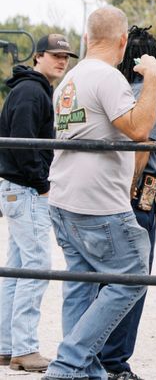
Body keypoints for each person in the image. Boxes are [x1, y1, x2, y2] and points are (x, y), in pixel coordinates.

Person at [43, 7, 156, 380]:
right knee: (133, 276)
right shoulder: (108, 78)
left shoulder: (69, 81)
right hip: (98, 204)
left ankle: (85, 371)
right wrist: (153, 77)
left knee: (80, 286)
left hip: (64, 200)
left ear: (86, 36)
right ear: (123, 41)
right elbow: (140, 129)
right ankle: (66, 366)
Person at [98, 26, 156, 380]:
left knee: (101, 281)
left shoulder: (110, 92)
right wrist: (128, 195)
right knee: (133, 284)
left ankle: (94, 356)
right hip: (136, 197)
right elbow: (142, 150)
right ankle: (116, 364)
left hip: (100, 197)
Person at [0, 34, 77, 373]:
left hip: (16, 188)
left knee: (17, 270)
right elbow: (23, 143)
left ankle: (6, 346)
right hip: (26, 189)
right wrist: (42, 184)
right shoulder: (32, 91)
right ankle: (26, 349)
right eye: (56, 55)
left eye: (66, 56)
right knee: (36, 267)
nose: (62, 61)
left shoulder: (29, 88)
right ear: (39, 56)